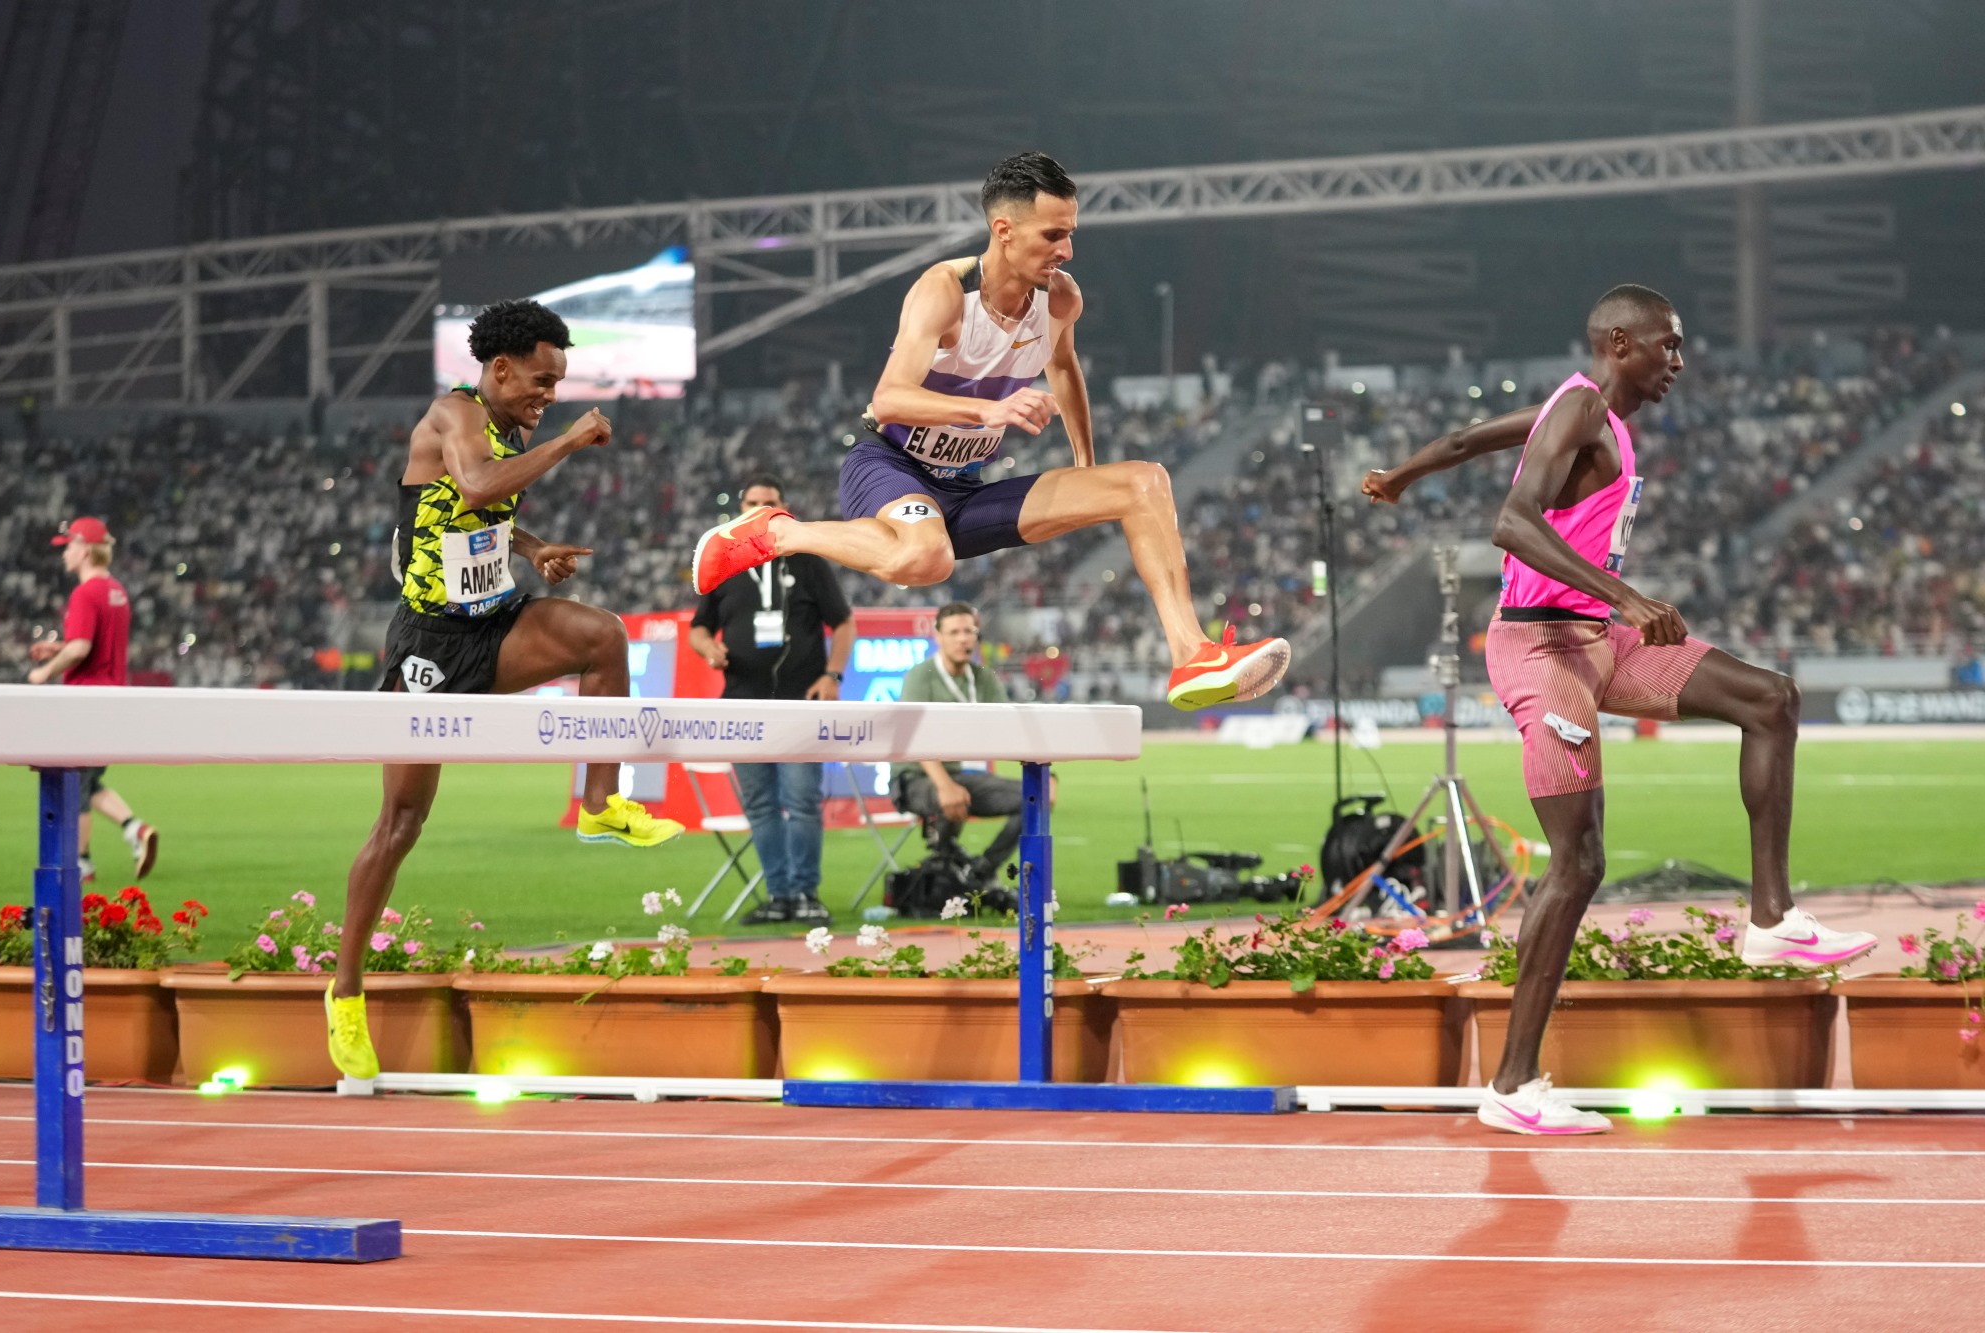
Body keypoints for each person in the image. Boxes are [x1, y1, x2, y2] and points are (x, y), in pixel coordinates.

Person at [1363, 283, 1876, 1136]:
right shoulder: (1580, 409)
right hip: (1541, 647)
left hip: (1597, 638)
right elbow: (1512, 523)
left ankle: (1773, 920)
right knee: (1579, 862)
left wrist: (1403, 475)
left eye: (1679, 346)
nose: (1678, 361)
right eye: (1666, 346)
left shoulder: (1586, 414)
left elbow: (1470, 438)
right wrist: (1629, 597)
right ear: (1618, 342)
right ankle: (1513, 1085)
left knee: (1771, 699)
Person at [690, 151, 1290, 712]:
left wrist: (1086, 467)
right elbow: (889, 397)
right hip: (891, 466)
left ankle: (1190, 655)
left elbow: (1063, 367)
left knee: (1144, 482)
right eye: (1053, 234)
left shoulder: (1058, 299)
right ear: (1004, 230)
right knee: (929, 559)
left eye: (1072, 232)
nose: (1069, 250)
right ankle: (780, 532)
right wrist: (987, 412)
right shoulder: (945, 291)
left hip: (967, 488)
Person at [327, 298, 684, 1081]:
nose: (548, 395)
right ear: (499, 368)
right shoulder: (454, 414)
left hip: (494, 621)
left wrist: (533, 547)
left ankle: (600, 803)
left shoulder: (510, 426)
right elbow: (481, 485)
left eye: (556, 385)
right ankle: (345, 991)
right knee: (400, 824)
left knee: (601, 636)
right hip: (429, 644)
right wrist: (570, 439)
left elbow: (472, 512)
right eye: (540, 380)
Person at [690, 471, 857, 927]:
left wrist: (833, 675)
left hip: (799, 703)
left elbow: (844, 622)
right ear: (740, 511)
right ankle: (779, 895)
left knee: (802, 801)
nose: (761, 510)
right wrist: (708, 648)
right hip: (742, 703)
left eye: (771, 503)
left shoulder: (806, 560)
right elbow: (698, 628)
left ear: (784, 511)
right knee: (761, 805)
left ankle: (805, 893)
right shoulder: (722, 565)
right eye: (752, 503)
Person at [27, 517, 158, 884]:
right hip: (112, 695)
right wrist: (58, 647)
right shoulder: (116, 591)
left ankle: (81, 863)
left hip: (85, 699)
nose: (65, 553)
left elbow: (82, 648)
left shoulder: (84, 593)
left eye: (68, 546)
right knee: (90, 780)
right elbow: (96, 644)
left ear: (85, 549)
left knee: (76, 786)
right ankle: (134, 829)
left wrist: (45, 671)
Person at [889, 602, 1053, 885]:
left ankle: (981, 870)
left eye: (969, 631)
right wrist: (944, 784)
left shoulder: (983, 678)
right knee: (955, 794)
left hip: (961, 777)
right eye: (954, 632)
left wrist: (1046, 775)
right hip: (915, 777)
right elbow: (914, 737)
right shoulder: (921, 675)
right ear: (938, 636)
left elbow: (1010, 730)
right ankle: (944, 865)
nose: (963, 638)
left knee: (1038, 797)